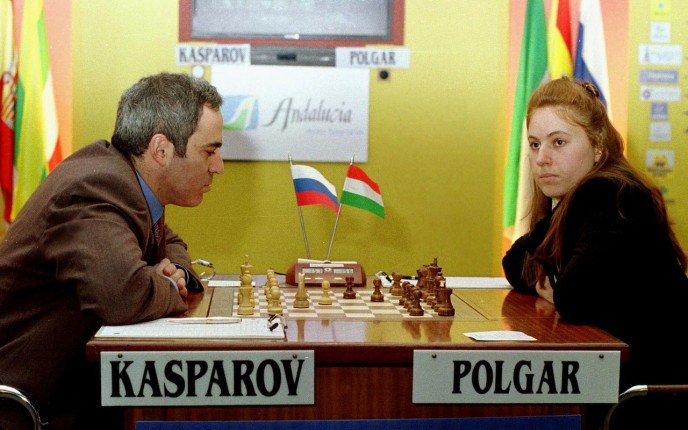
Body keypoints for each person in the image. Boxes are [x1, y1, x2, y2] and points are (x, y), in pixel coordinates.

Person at [0, 72, 224, 429]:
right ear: (161, 150)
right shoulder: (96, 188)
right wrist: (167, 284)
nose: (218, 167)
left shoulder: (125, 184)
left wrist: (175, 272)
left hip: (76, 388)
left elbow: (171, 243)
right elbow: (123, 296)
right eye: (209, 151)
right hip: (30, 408)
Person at [502, 77, 688, 427]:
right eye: (535, 144)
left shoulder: (610, 193)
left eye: (558, 142)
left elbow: (574, 297)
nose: (542, 158)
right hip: (624, 384)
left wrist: (558, 286)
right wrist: (556, 284)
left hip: (653, 397)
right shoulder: (575, 199)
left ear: (598, 147)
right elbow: (513, 263)